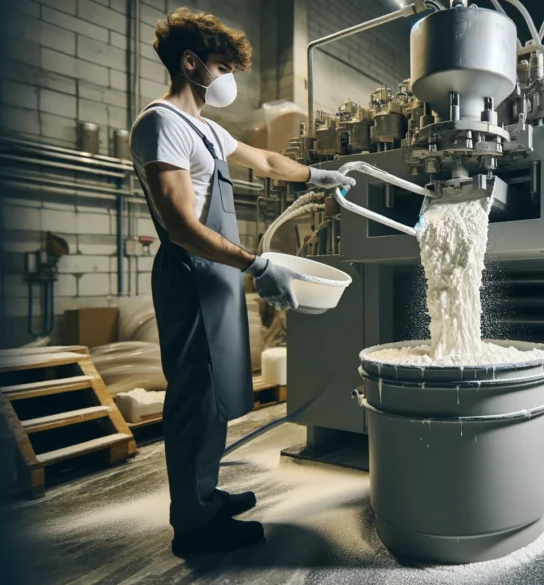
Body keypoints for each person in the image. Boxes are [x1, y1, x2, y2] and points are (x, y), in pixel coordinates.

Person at [129, 8, 354, 556]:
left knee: (219, 393)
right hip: (191, 275)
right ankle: (194, 526)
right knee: (193, 401)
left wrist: (317, 174)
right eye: (223, 66)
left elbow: (267, 160)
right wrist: (256, 264)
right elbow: (182, 226)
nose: (230, 78)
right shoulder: (160, 123)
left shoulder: (204, 127)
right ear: (190, 63)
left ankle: (205, 494)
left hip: (219, 277)